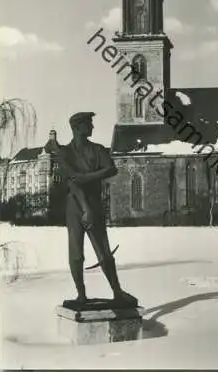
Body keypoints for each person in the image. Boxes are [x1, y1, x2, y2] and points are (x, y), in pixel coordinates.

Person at [45, 112, 137, 308]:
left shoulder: (98, 150)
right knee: (76, 253)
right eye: (89, 124)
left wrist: (87, 177)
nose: (93, 127)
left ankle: (117, 292)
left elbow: (111, 169)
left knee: (103, 251)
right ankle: (81, 295)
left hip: (93, 202)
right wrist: (85, 205)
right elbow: (72, 181)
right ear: (77, 127)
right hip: (74, 204)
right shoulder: (65, 153)